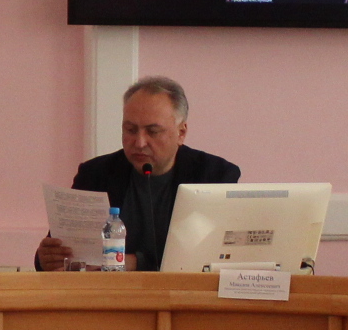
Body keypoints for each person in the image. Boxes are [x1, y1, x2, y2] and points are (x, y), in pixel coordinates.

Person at [34, 77, 240, 274]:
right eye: (131, 130)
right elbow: (63, 250)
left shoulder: (214, 176)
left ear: (181, 132)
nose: (140, 142)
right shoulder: (95, 174)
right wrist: (46, 258)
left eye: (153, 131)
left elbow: (212, 254)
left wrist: (134, 262)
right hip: (108, 294)